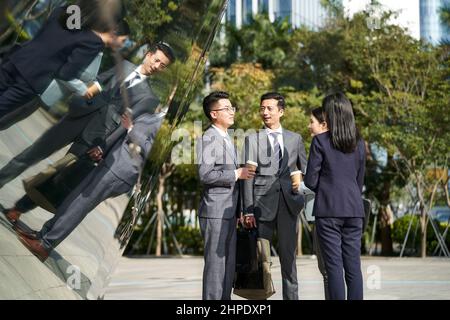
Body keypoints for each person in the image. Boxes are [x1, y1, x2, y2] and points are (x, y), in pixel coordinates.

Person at [1, 42, 175, 224]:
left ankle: (17, 209)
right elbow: (99, 81)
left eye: (162, 66)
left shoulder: (149, 98)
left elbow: (126, 126)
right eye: (156, 60)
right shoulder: (123, 65)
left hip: (97, 137)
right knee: (32, 153)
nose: (156, 67)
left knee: (57, 174)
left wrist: (103, 146)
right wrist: (81, 98)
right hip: (78, 117)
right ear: (148, 55)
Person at [16, 110, 167, 262]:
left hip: (120, 172)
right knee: (74, 199)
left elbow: (154, 154)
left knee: (80, 205)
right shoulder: (156, 115)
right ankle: (43, 234)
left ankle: (46, 245)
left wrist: (131, 129)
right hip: (110, 163)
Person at [0, 0, 124, 118]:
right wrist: (84, 89)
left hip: (16, 60)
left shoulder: (63, 11)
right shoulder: (93, 41)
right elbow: (66, 73)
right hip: (31, 80)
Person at [242, 92, 307, 300]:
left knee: (289, 260)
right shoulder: (252, 139)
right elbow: (247, 178)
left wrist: (301, 197)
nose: (265, 112)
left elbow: (305, 172)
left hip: (289, 206)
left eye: (269, 108)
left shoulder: (295, 139)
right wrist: (248, 210)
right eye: (262, 108)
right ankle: (259, 301)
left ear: (281, 111)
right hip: (261, 206)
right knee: (260, 260)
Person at [304, 92, 366, 300]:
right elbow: (359, 181)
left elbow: (311, 182)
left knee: (334, 268)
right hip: (354, 210)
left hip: (329, 210)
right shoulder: (359, 143)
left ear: (329, 115)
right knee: (353, 268)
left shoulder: (320, 141)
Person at [197, 91, 254, 300]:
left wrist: (239, 210)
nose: (232, 112)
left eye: (232, 108)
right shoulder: (209, 138)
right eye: (227, 108)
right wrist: (236, 173)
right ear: (214, 114)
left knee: (228, 267)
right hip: (214, 212)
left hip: (228, 213)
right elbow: (205, 173)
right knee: (216, 267)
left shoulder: (227, 138)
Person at [302, 107, 329, 299]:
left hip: (326, 214)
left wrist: (296, 185)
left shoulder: (319, 143)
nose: (309, 125)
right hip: (350, 213)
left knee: (327, 269)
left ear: (324, 124)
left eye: (312, 121)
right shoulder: (350, 143)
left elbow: (312, 182)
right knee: (348, 269)